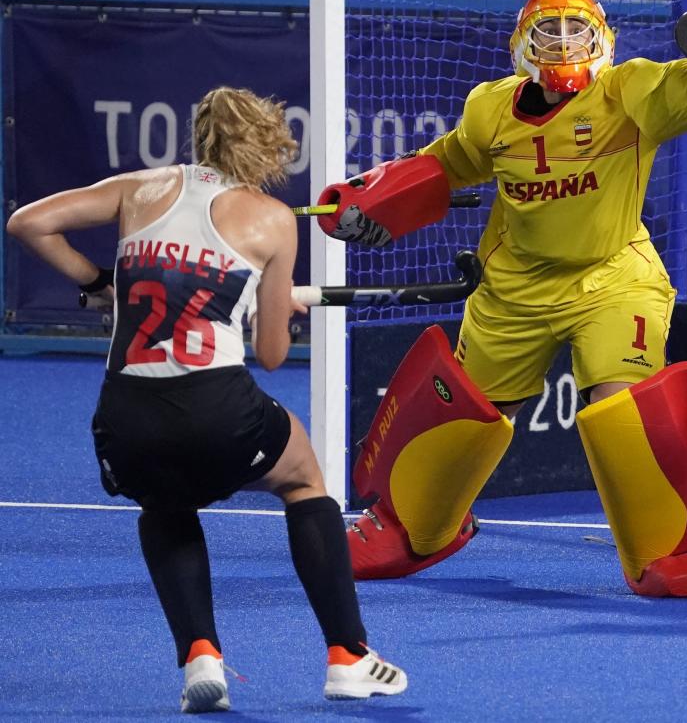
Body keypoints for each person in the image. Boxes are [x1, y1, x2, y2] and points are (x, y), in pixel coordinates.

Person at [328, 0, 687, 597]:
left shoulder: (631, 90)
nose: (563, 41)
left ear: (603, 40)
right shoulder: (490, 107)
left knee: (623, 403)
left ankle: (664, 551)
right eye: (548, 29)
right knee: (465, 411)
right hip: (515, 289)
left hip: (614, 277)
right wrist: (376, 199)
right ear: (523, 44)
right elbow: (451, 161)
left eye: (577, 29)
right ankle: (413, 530)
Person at [6, 87, 408, 712]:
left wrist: (97, 282)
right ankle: (349, 656)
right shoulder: (272, 219)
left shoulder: (137, 189)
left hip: (124, 416)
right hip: (216, 410)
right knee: (303, 478)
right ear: (268, 143)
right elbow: (272, 354)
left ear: (202, 138)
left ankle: (200, 659)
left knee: (164, 498)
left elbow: (27, 222)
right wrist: (283, 303)